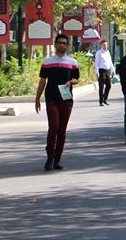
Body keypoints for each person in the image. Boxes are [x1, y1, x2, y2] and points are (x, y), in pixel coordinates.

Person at [35, 34, 80, 171]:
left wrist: (70, 81)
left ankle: (57, 159)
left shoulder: (72, 62)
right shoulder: (47, 62)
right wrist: (37, 98)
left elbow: (77, 79)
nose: (62, 45)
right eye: (60, 43)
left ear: (67, 45)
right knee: (53, 127)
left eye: (65, 43)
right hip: (52, 98)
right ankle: (49, 157)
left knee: (62, 130)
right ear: (55, 44)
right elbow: (43, 80)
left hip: (66, 99)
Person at [94, 40, 115, 106]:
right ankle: (101, 101)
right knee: (101, 87)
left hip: (108, 71)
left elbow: (110, 62)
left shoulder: (108, 52)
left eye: (106, 45)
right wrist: (97, 72)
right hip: (101, 71)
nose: (105, 46)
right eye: (104, 45)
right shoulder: (99, 53)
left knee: (109, 85)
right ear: (101, 45)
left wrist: (113, 70)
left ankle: (104, 99)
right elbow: (97, 63)